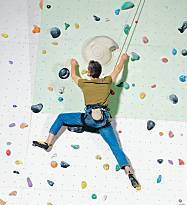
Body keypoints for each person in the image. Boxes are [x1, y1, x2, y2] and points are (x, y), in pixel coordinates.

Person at [32, 54, 140, 190]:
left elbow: (73, 76)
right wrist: (124, 59)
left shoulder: (84, 83)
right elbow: (118, 69)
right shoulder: (107, 81)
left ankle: (48, 142)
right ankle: (128, 171)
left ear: (89, 73)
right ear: (100, 72)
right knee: (115, 147)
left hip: (87, 119)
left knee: (61, 117)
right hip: (103, 122)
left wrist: (73, 64)